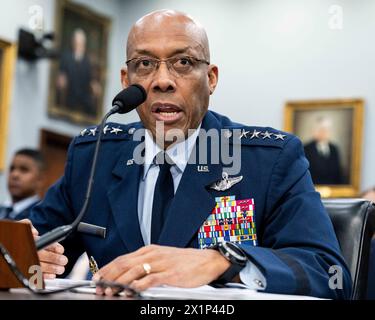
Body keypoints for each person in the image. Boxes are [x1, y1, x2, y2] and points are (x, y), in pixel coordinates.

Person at [28, 9, 351, 299]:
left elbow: (328, 274)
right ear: (127, 81)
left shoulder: (269, 159)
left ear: (211, 79)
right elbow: (32, 244)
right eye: (145, 64)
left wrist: (222, 261)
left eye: (183, 63)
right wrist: (27, 254)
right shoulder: (94, 154)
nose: (163, 81)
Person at [56, 28, 101, 117]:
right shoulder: (66, 57)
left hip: (84, 96)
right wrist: (61, 79)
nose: (79, 45)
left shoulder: (88, 61)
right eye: (77, 42)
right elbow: (61, 75)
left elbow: (92, 79)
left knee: (90, 107)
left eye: (81, 43)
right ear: (73, 43)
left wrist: (95, 85)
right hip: (70, 94)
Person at [0, 149, 44, 220]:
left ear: (39, 179)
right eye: (12, 169)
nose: (14, 175)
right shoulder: (2, 210)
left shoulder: (42, 216)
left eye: (24, 170)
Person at [303, 116, 345, 185]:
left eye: (326, 130)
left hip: (333, 189)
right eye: (320, 129)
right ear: (314, 131)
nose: (323, 132)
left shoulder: (334, 148)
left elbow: (338, 173)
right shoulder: (306, 148)